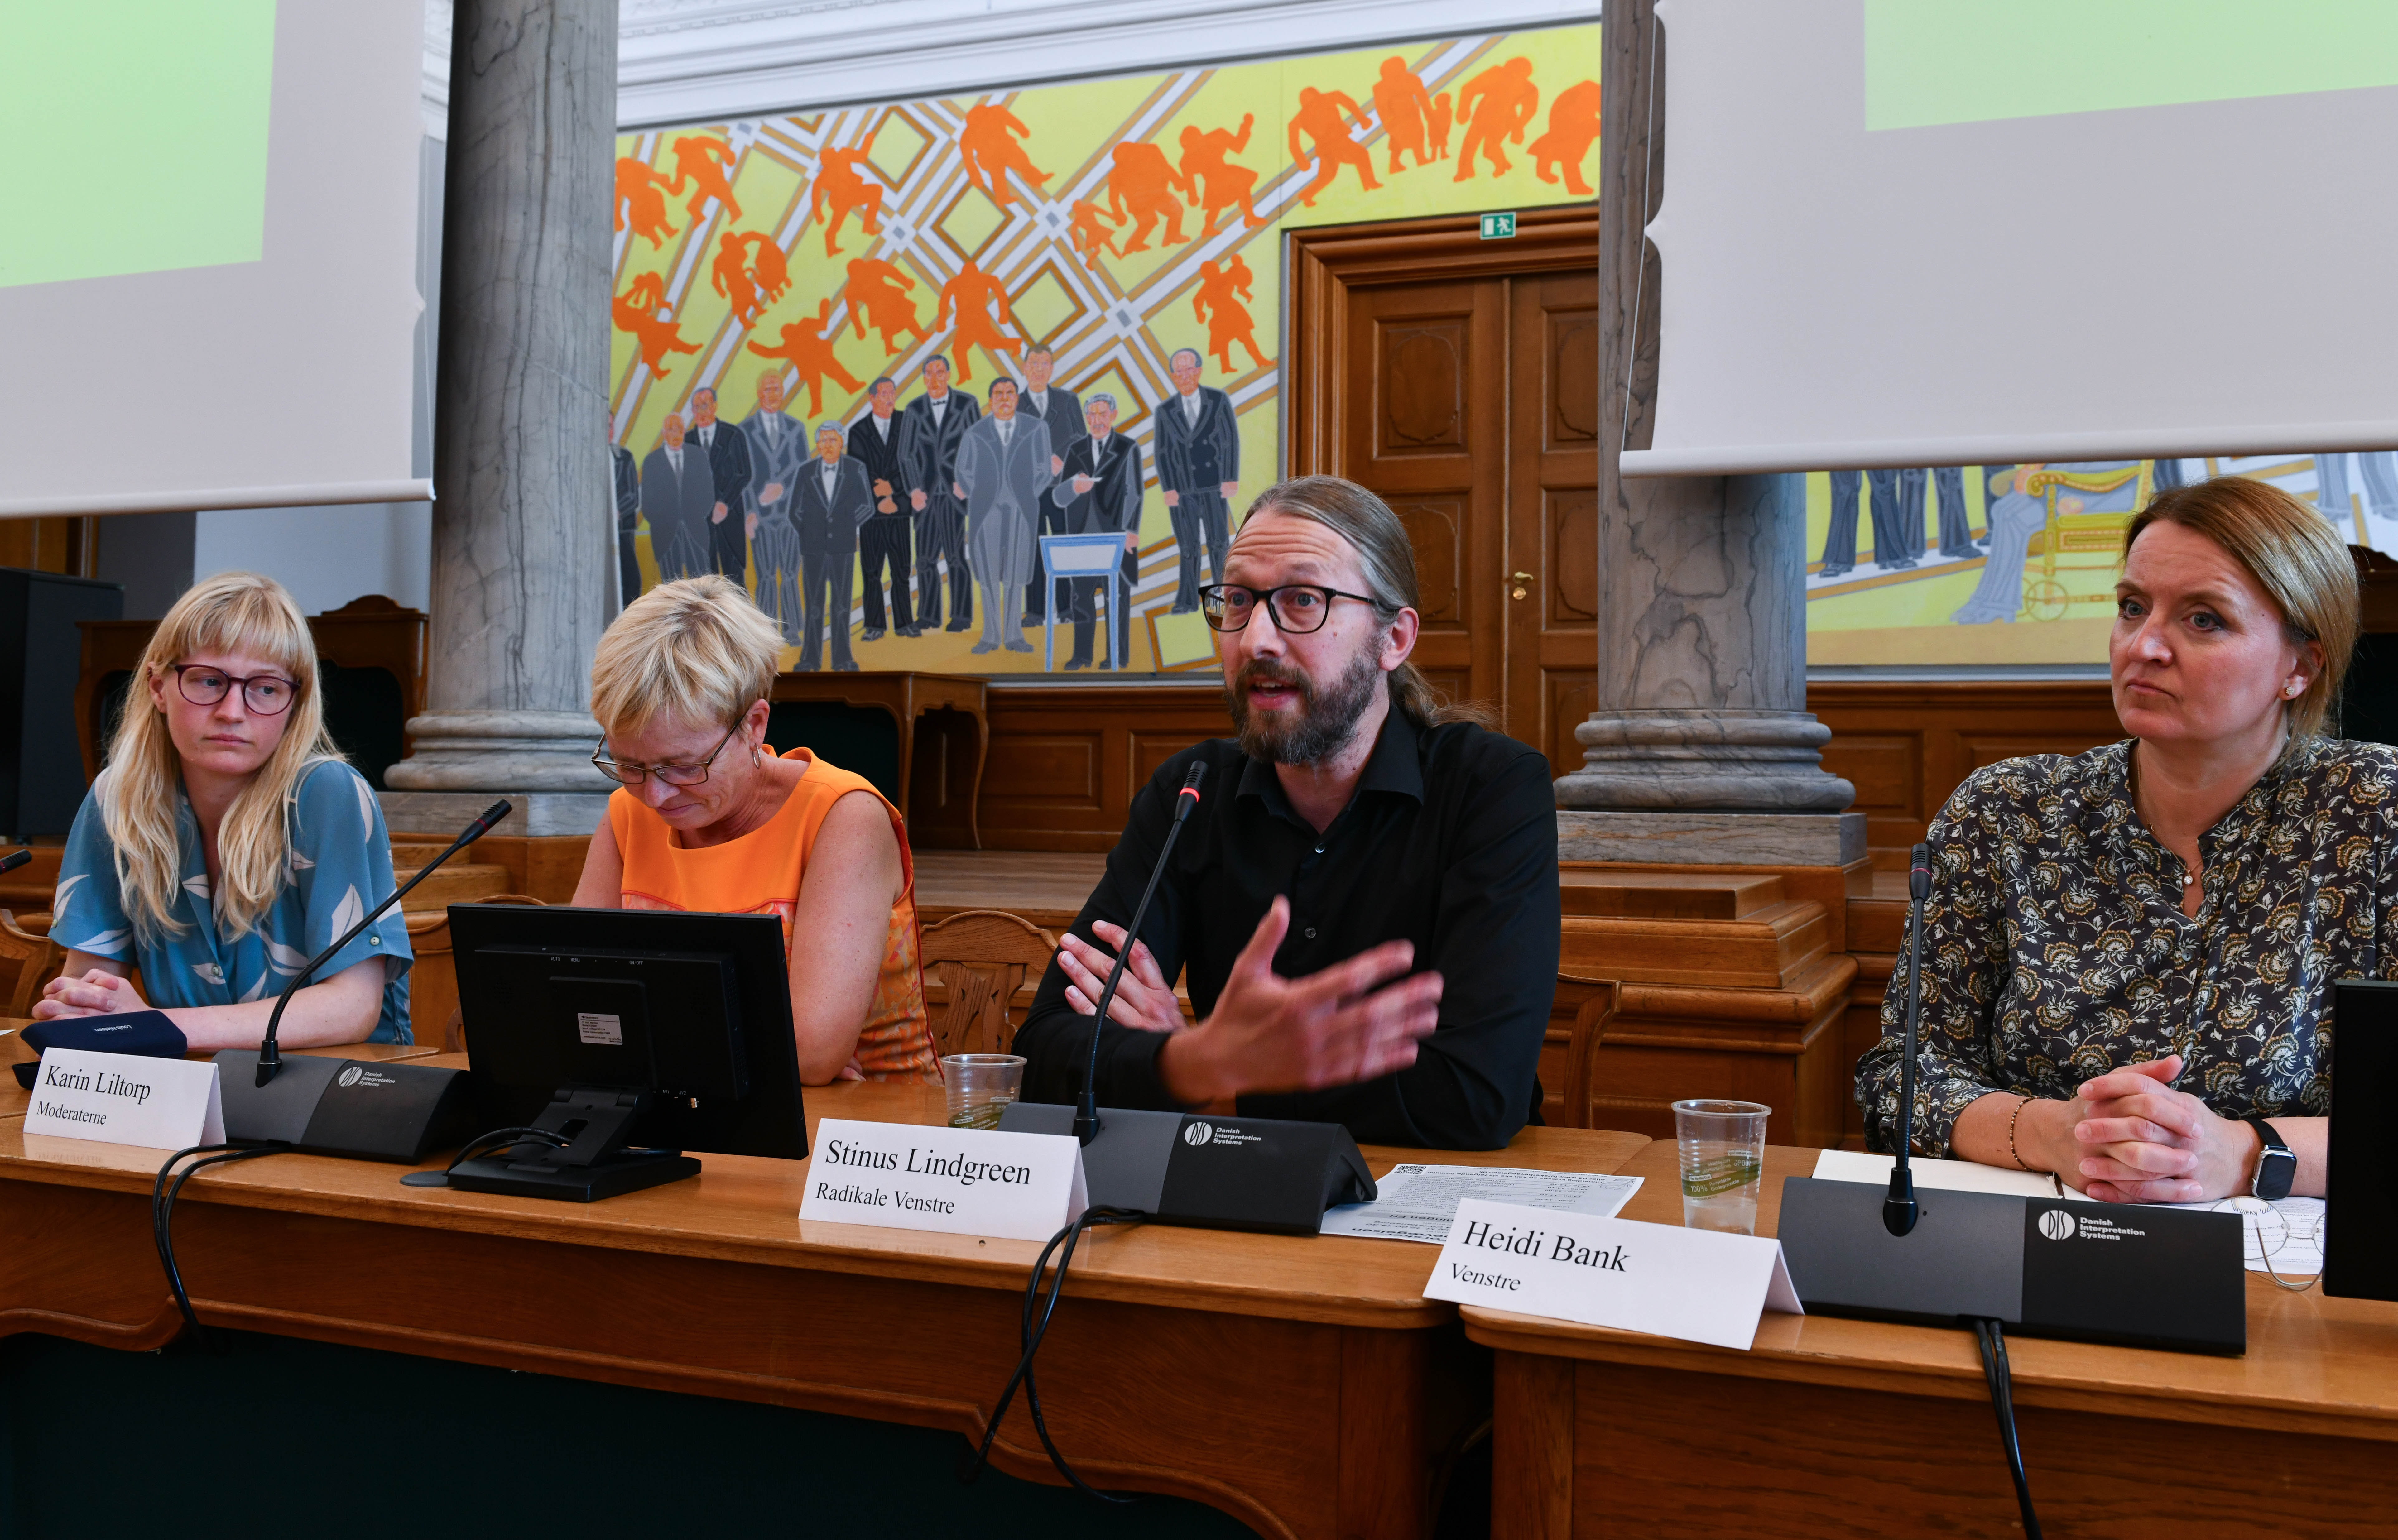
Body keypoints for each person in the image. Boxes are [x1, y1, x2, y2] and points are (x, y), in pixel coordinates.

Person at [1857, 476, 2379, 1203]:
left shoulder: (2376, 814)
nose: (2145, 645)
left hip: (2286, 1253)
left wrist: (2244, 1151)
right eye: (2133, 607)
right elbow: (1900, 1079)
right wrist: (2054, 1133)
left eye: (2204, 619)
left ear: (2300, 666)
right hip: (2041, 1231)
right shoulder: (2007, 811)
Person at [1012, 476, 1559, 1149]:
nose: (1256, 640)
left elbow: (1476, 1094)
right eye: (1238, 601)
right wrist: (1198, 1061)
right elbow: (1044, 1052)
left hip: (1442, 1201)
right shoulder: (1189, 793)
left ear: (1393, 638)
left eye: (1303, 600)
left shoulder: (1492, 789)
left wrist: (1212, 1073)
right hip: (1237, 1198)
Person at [573, 577, 935, 1084]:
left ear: (754, 725)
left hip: (862, 1122)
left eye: (684, 766)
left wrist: (645, 1025)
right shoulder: (626, 816)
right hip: (687, 1105)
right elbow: (575, 1004)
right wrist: (762, 1042)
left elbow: (809, 1053)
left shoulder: (842, 817)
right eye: (630, 765)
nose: (655, 796)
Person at [37, 573, 413, 1047]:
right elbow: (90, 992)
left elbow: (351, 1008)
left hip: (345, 1079)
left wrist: (153, 1026)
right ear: (158, 688)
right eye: (209, 681)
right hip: (188, 1078)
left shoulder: (327, 793)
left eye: (266, 689)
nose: (233, 711)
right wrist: (79, 1009)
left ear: (294, 705)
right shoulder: (117, 798)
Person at [954, 377, 1050, 655]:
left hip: (1022, 510)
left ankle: (1014, 636)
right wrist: (980, 494)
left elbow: (1045, 470)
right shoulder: (975, 433)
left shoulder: (1036, 428)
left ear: (1017, 398)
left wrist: (1028, 494)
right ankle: (990, 636)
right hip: (986, 512)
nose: (1005, 398)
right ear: (991, 400)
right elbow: (962, 471)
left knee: (1016, 574)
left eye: (1010, 393)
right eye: (999, 394)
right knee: (987, 575)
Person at [1049, 392, 1142, 670]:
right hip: (1082, 540)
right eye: (1092, 414)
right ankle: (1082, 656)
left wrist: (1129, 530)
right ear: (1086, 417)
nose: (1097, 420)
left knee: (1117, 599)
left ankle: (1117, 655)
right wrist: (1072, 487)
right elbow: (1059, 498)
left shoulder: (1127, 448)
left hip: (1116, 538)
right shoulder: (1075, 449)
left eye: (1103, 414)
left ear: (1113, 416)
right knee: (1081, 599)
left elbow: (1134, 493)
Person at [1153, 348, 1239, 612]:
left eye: (1189, 369)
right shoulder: (1165, 411)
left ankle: (1220, 602)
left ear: (1199, 371)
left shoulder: (1217, 400)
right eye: (1178, 371)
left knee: (1218, 544)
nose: (1184, 376)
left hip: (1213, 485)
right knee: (1188, 547)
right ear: (1173, 376)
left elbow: (1229, 440)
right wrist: (1168, 488)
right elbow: (1162, 452)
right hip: (1182, 489)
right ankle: (1187, 600)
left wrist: (1230, 478)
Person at [901, 355, 980, 632]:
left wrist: (967, 483)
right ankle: (929, 616)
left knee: (957, 557)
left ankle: (961, 616)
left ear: (948, 375)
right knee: (924, 560)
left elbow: (977, 447)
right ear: (924, 378)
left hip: (955, 494)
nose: (934, 379)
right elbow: (906, 454)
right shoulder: (914, 409)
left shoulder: (967, 404)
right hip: (924, 497)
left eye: (939, 372)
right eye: (929, 373)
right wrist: (914, 489)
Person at [792, 421, 873, 672]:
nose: (828, 445)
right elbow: (795, 511)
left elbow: (867, 506)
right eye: (824, 440)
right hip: (812, 550)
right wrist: (810, 532)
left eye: (833, 440)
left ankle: (842, 659)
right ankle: (810, 660)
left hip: (843, 548)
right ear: (817, 445)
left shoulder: (856, 469)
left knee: (841, 606)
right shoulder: (806, 471)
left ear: (842, 443)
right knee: (813, 607)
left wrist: (846, 526)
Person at [1017, 344, 1084, 626]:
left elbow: (1080, 439)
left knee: (1062, 544)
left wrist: (1062, 458)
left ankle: (1066, 608)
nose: (1039, 369)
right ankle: (1035, 612)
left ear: (1052, 368)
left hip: (1061, 488)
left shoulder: (1068, 401)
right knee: (1031, 549)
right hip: (1027, 490)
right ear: (1024, 368)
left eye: (1044, 363)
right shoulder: (1015, 404)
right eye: (1033, 363)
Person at [849, 376, 917, 639]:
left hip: (899, 510)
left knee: (902, 570)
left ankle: (904, 623)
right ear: (872, 398)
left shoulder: (907, 423)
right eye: (884, 394)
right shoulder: (858, 431)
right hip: (872, 514)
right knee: (872, 571)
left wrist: (894, 491)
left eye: (892, 393)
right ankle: (875, 626)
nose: (890, 399)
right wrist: (879, 497)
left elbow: (915, 461)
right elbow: (858, 471)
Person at [640, 411, 714, 581]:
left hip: (696, 531)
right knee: (672, 588)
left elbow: (708, 494)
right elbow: (647, 504)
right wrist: (664, 520)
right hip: (665, 535)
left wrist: (695, 515)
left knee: (702, 586)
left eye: (679, 429)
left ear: (685, 431)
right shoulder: (652, 462)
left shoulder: (698, 456)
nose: (675, 434)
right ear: (664, 433)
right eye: (671, 430)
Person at [690, 387, 754, 582]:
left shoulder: (733, 435)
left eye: (705, 406)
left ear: (715, 407)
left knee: (735, 580)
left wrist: (725, 503)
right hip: (700, 522)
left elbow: (744, 474)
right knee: (704, 582)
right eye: (696, 408)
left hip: (730, 518)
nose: (701, 412)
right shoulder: (687, 441)